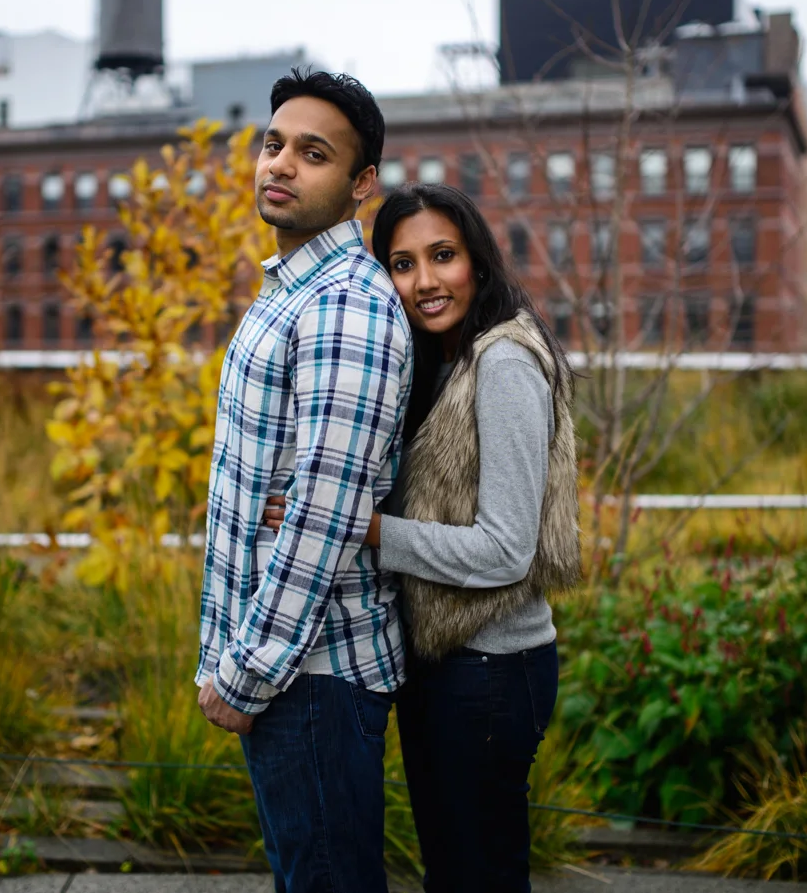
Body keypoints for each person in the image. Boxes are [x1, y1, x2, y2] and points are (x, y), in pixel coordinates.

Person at [265, 182, 581, 892]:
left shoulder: (502, 362)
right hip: (448, 663)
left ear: (478, 259)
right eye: (402, 264)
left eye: (443, 255)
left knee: (477, 872)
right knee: (460, 866)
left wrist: (365, 527)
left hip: (492, 671)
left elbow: (506, 549)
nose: (425, 281)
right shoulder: (442, 360)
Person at [195, 68, 411, 893]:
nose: (279, 164)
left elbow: (321, 514)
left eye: (312, 153)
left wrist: (246, 671)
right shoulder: (295, 290)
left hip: (311, 677)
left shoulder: (345, 303)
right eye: (273, 144)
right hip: (286, 667)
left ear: (361, 185)